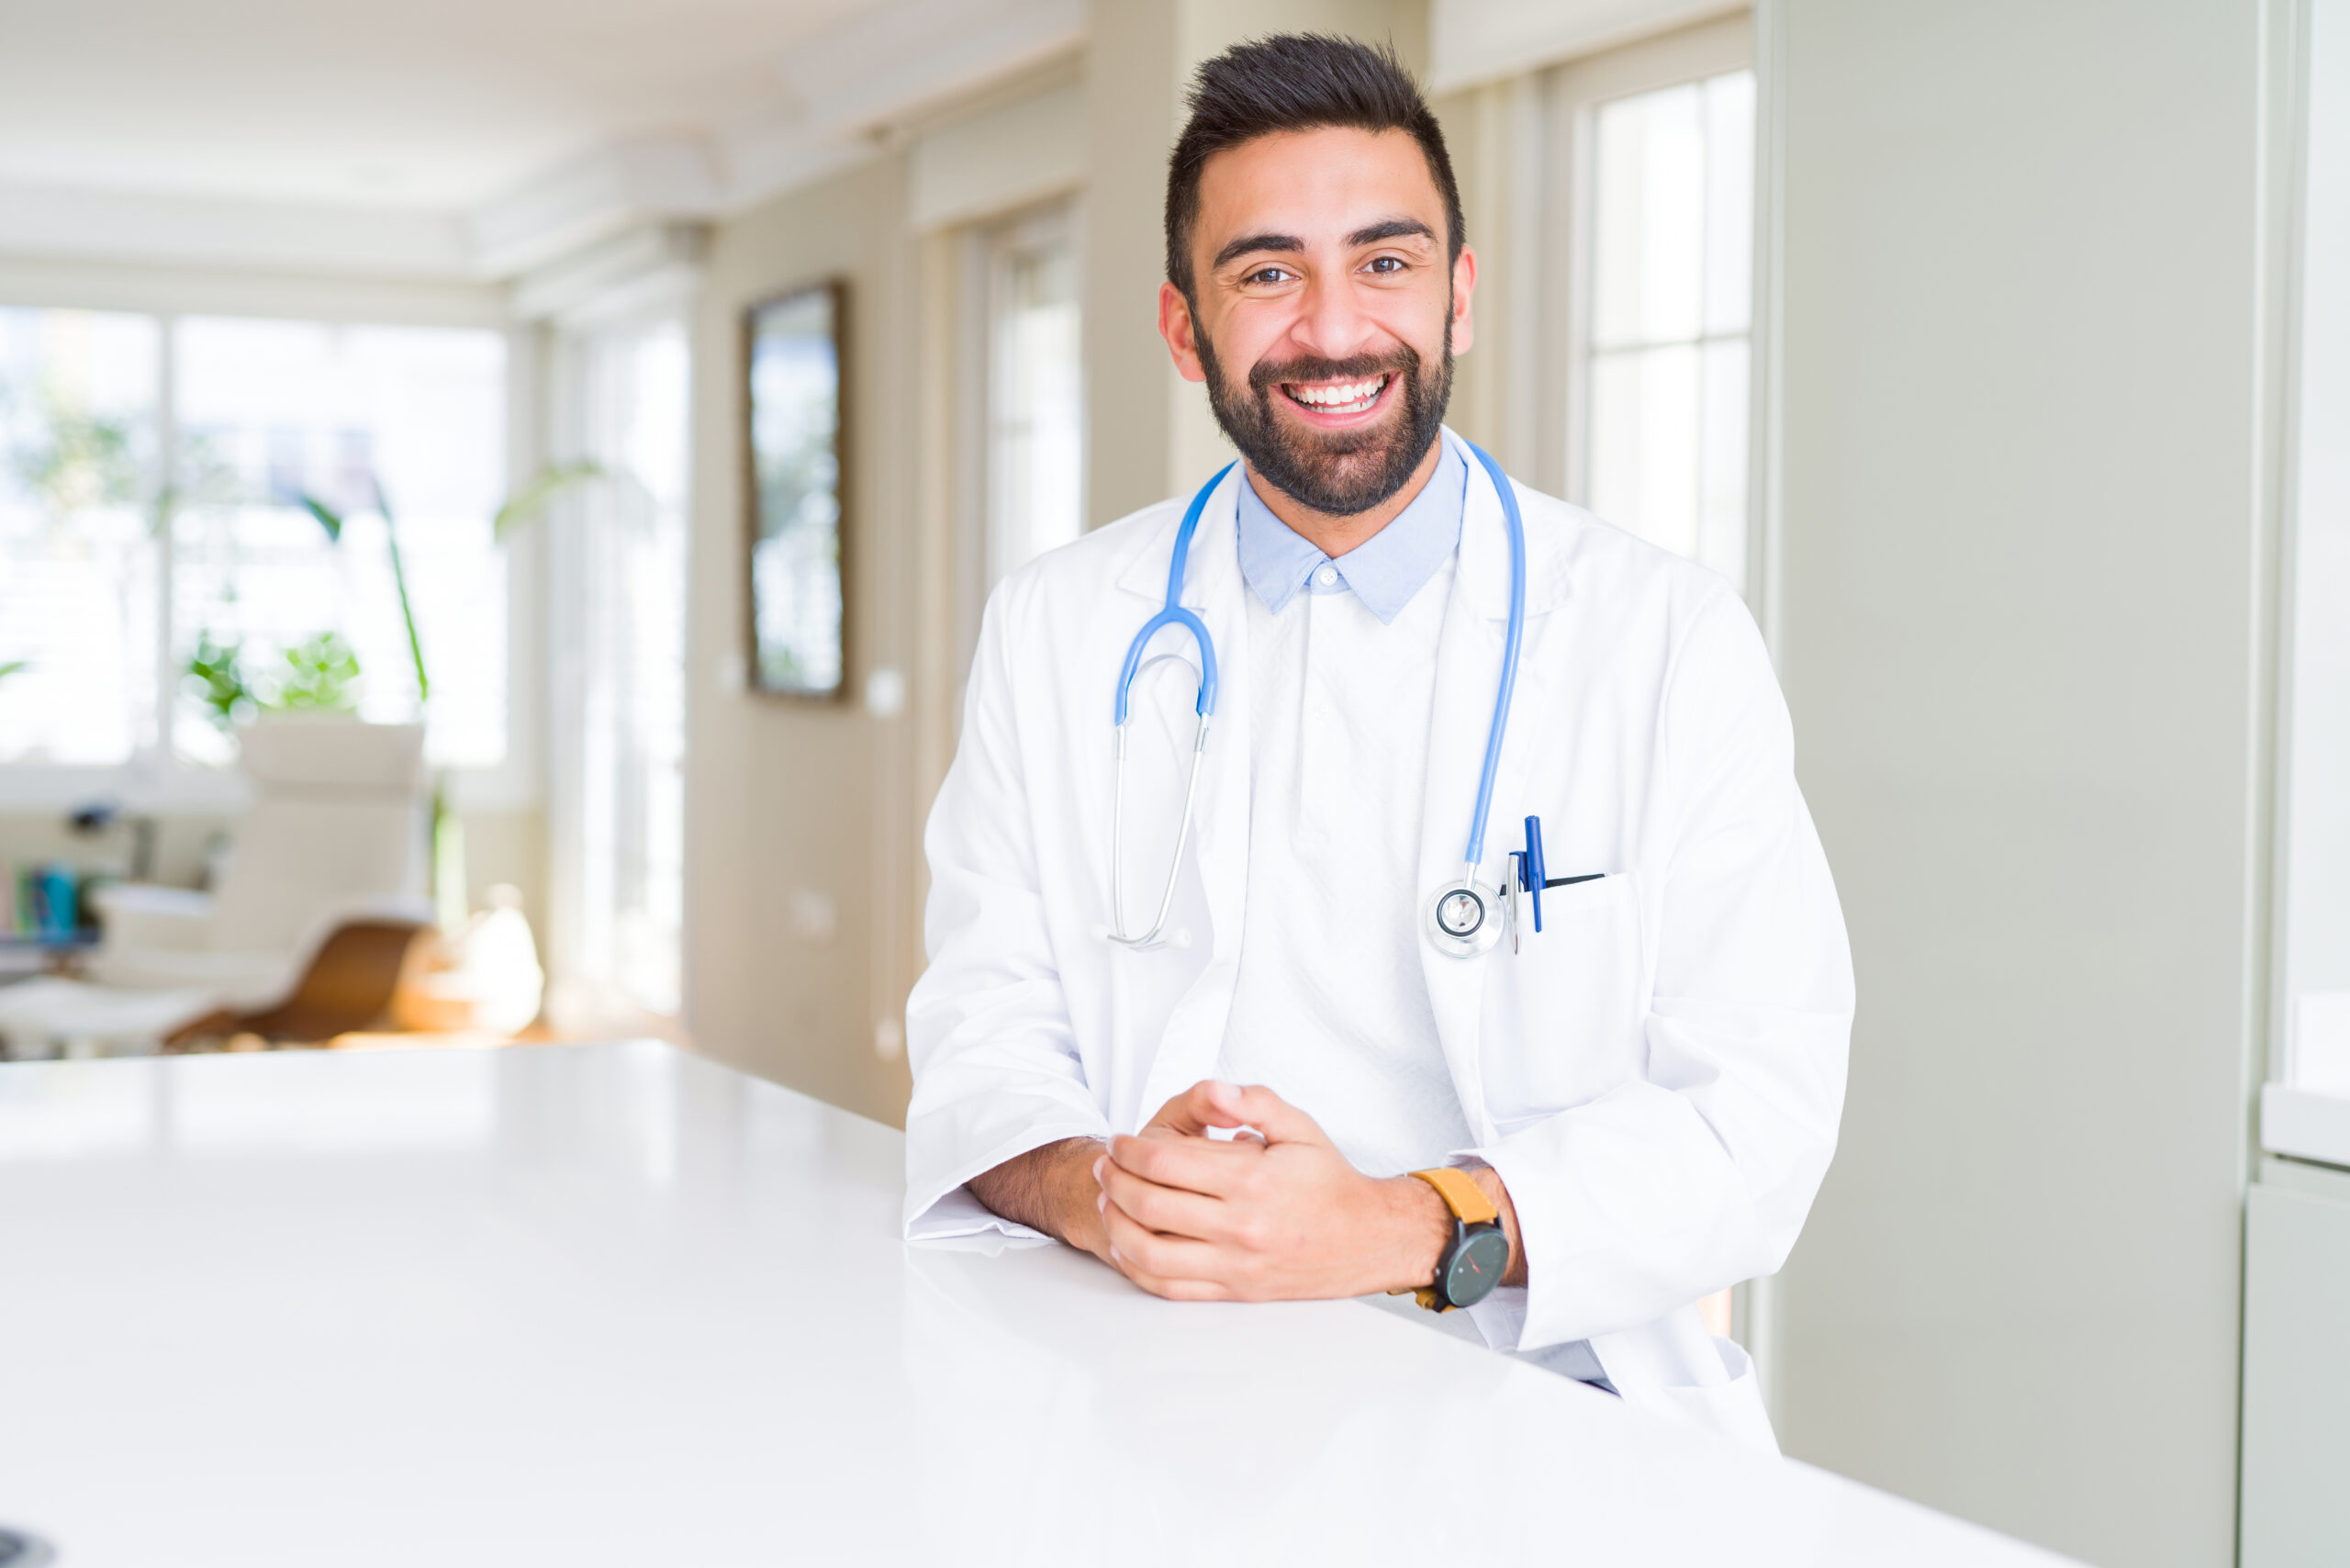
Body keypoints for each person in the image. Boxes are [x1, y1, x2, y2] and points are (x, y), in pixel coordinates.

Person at [902, 32, 1852, 1451]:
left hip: (1549, 1412)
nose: (1334, 329)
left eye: (1386, 263)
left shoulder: (1664, 638)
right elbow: (983, 1031)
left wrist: (1393, 1229)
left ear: (1460, 297)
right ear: (1184, 329)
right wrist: (1102, 1189)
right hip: (1157, 1392)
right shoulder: (1058, 629)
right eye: (1267, 273)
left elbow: (1758, 1115)